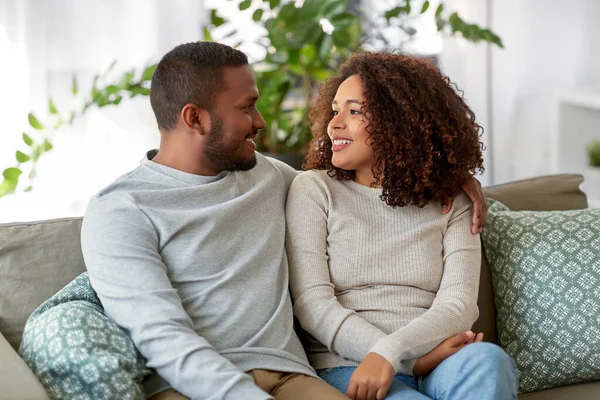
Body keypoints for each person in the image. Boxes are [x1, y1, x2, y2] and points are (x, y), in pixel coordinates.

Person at [81, 42, 488, 400]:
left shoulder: (272, 178)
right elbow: (164, 340)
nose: (260, 121)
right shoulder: (120, 210)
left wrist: (450, 176)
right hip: (188, 387)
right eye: (246, 107)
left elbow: (363, 189)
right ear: (195, 118)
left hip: (292, 377)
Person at [286, 52, 518, 400]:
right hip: (348, 364)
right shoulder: (313, 190)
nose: (334, 124)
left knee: (488, 361)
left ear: (401, 122)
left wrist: (394, 354)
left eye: (354, 111)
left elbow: (459, 306)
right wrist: (411, 362)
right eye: (335, 110)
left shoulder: (451, 200)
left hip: (439, 360)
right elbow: (313, 305)